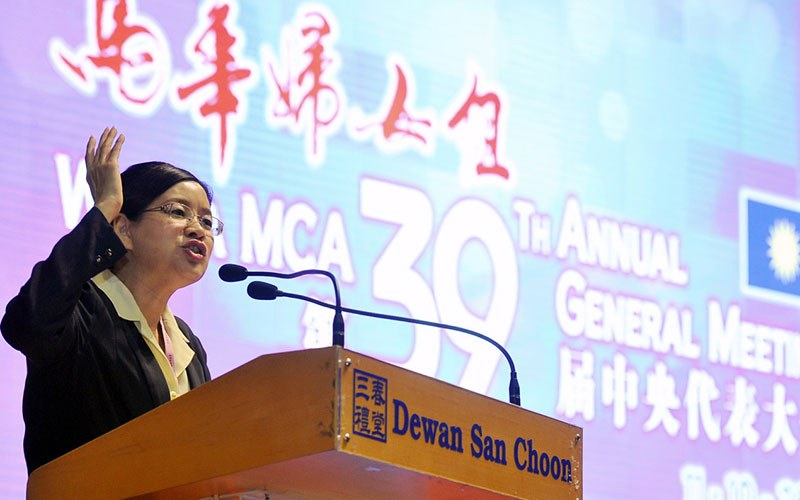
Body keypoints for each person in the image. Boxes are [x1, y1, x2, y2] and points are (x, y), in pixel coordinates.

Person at [1, 127, 216, 473]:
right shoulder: (80, 311)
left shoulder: (188, 344)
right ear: (124, 229)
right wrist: (104, 208)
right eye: (178, 212)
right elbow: (26, 323)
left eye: (206, 221)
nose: (198, 228)